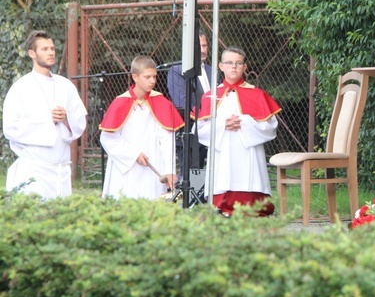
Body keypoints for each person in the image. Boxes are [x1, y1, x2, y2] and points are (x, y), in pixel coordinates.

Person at [195, 47, 281, 217]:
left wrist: (245, 122)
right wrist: (222, 125)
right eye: (229, 63)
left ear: (245, 67)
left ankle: (252, 205)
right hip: (223, 149)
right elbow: (200, 129)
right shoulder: (210, 96)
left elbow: (271, 127)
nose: (233, 67)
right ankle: (222, 205)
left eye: (238, 63)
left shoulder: (257, 94)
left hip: (248, 149)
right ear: (221, 66)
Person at [3, 30, 88, 199]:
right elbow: (10, 128)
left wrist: (65, 119)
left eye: (52, 48)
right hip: (34, 169)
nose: (50, 53)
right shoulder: (21, 87)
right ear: (32, 53)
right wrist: (47, 120)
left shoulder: (66, 85)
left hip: (61, 170)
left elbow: (80, 122)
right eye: (44, 49)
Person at [99, 55, 184, 199]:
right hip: (126, 168)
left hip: (154, 165)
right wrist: (133, 154)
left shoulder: (161, 102)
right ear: (135, 77)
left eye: (154, 77)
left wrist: (169, 170)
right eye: (147, 77)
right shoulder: (120, 102)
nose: (152, 81)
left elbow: (167, 140)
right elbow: (107, 138)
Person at [167, 30, 212, 172]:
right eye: (199, 46)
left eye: (205, 46)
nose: (203, 50)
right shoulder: (178, 71)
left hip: (213, 131)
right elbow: (182, 102)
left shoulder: (213, 72)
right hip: (190, 132)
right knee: (191, 175)